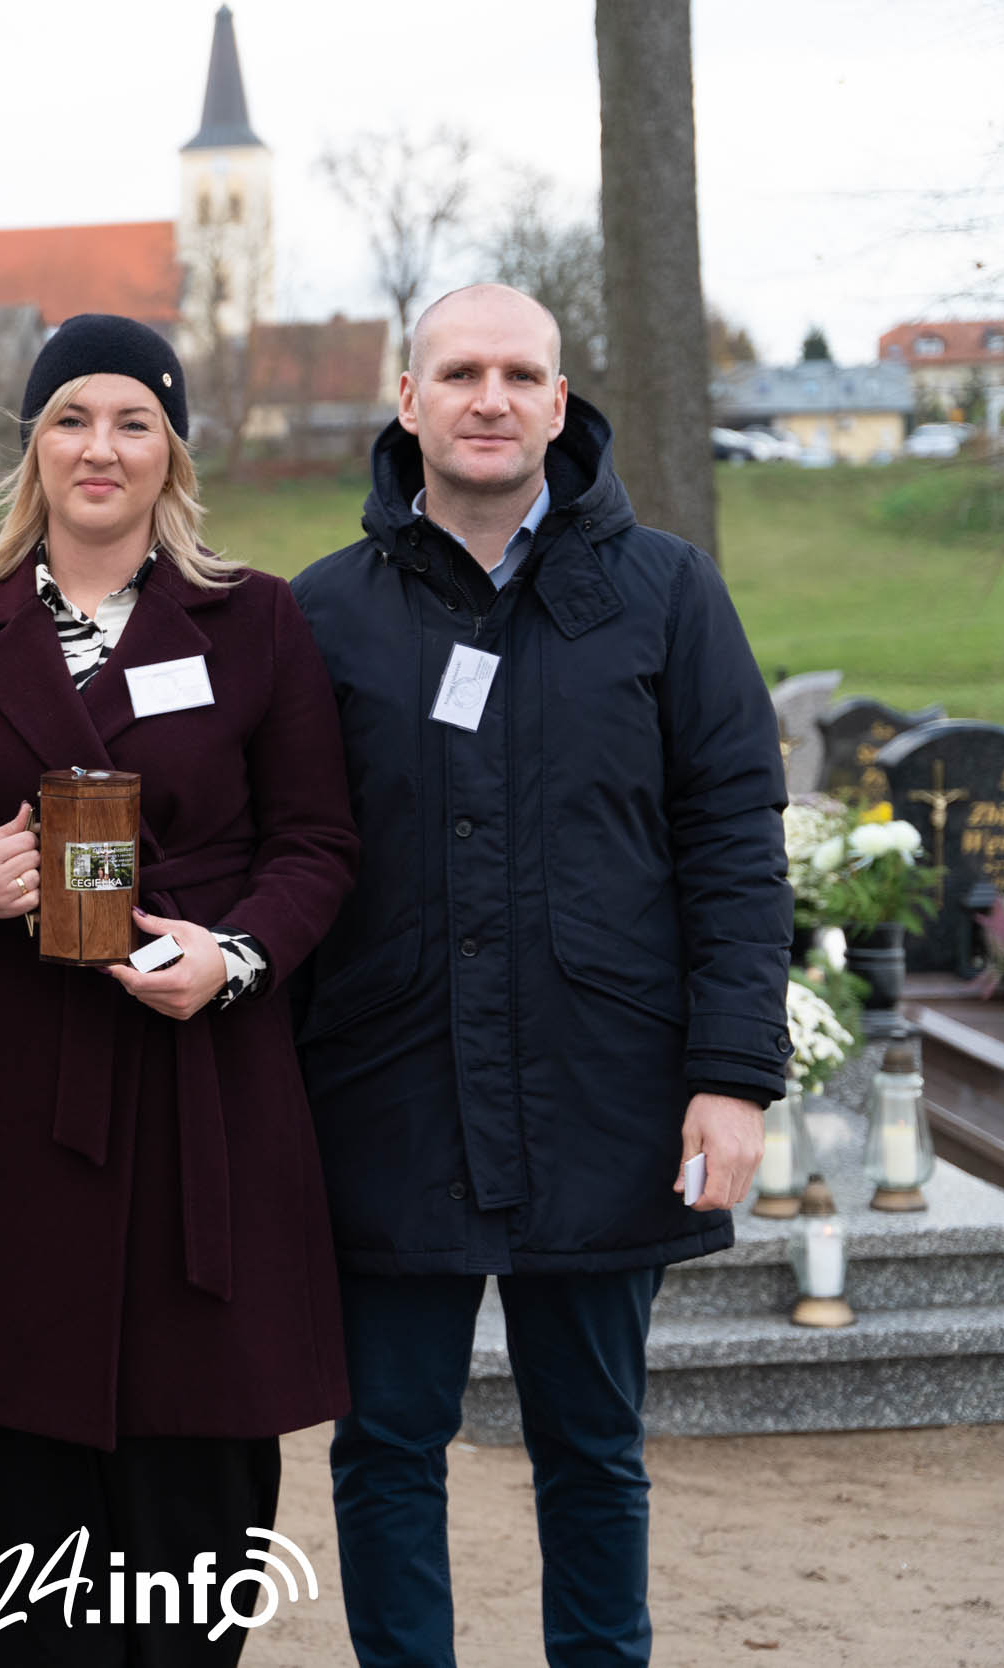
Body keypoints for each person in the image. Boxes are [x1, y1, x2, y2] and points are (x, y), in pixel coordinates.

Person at [289, 283, 790, 1667]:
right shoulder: (325, 612)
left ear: (562, 404)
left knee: (592, 1442)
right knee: (387, 1442)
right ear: (410, 401)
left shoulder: (668, 594)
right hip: (389, 1091)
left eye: (520, 373)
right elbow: (288, 858)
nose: (490, 398)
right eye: (460, 373)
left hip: (604, 1084)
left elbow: (734, 843)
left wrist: (733, 1076)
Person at [0, 314, 361, 1667]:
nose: (101, 446)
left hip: (204, 1083)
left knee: (200, 1522)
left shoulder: (255, 620)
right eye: (72, 417)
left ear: (172, 451)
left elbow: (318, 842)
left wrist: (236, 955)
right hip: (12, 1095)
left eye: (133, 420)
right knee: (33, 1522)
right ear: (33, 446)